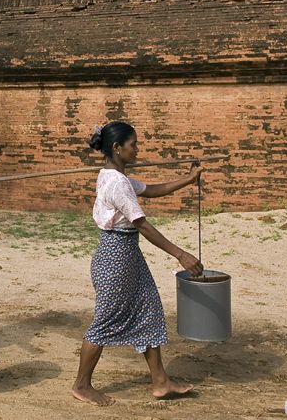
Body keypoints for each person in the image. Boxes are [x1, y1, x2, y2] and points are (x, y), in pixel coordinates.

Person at [71, 120, 203, 406]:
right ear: (117, 148)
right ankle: (81, 385)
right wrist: (181, 254)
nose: (138, 150)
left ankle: (160, 382)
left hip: (127, 255)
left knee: (149, 309)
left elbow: (152, 189)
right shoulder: (116, 182)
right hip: (115, 258)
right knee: (105, 322)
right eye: (133, 145)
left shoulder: (114, 175)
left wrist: (188, 179)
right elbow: (141, 224)